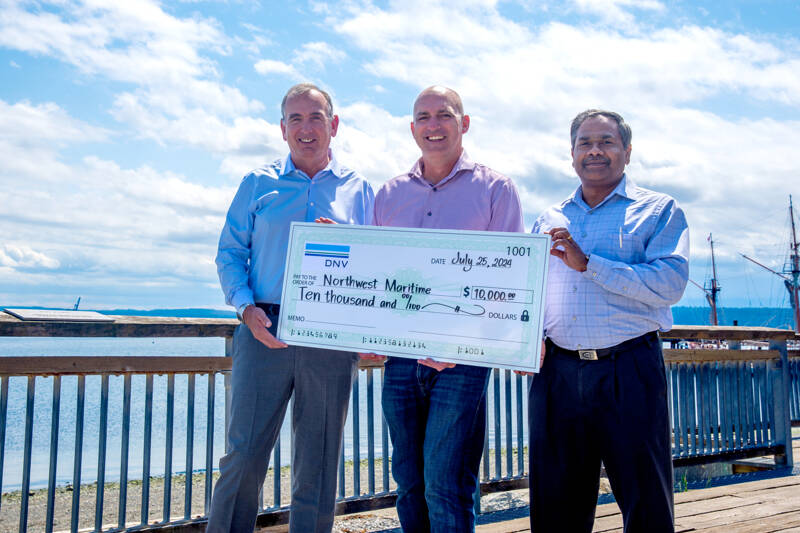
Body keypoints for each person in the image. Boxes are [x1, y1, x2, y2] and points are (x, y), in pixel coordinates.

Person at [208, 83, 374, 533]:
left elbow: (375, 261)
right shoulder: (257, 183)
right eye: (296, 119)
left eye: (316, 117)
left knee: (319, 459)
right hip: (264, 327)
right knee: (242, 454)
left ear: (333, 125)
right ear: (282, 129)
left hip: (330, 334)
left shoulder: (359, 189)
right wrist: (245, 310)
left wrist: (342, 244)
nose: (306, 128)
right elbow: (229, 254)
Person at [369, 85, 524, 532]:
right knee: (409, 483)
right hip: (400, 359)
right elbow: (377, 273)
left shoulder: (496, 189)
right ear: (412, 127)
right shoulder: (390, 193)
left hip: (464, 361)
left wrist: (468, 345)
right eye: (423, 117)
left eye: (444, 115)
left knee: (445, 484)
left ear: (464, 123)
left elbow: (508, 279)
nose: (433, 125)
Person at [528, 109, 689, 532]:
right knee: (555, 505)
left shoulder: (658, 210)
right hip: (556, 372)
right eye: (585, 143)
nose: (595, 151)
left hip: (629, 369)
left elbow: (670, 283)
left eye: (606, 142)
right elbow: (529, 289)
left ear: (627, 151)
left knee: (645, 501)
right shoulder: (549, 217)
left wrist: (591, 264)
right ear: (571, 153)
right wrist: (523, 337)